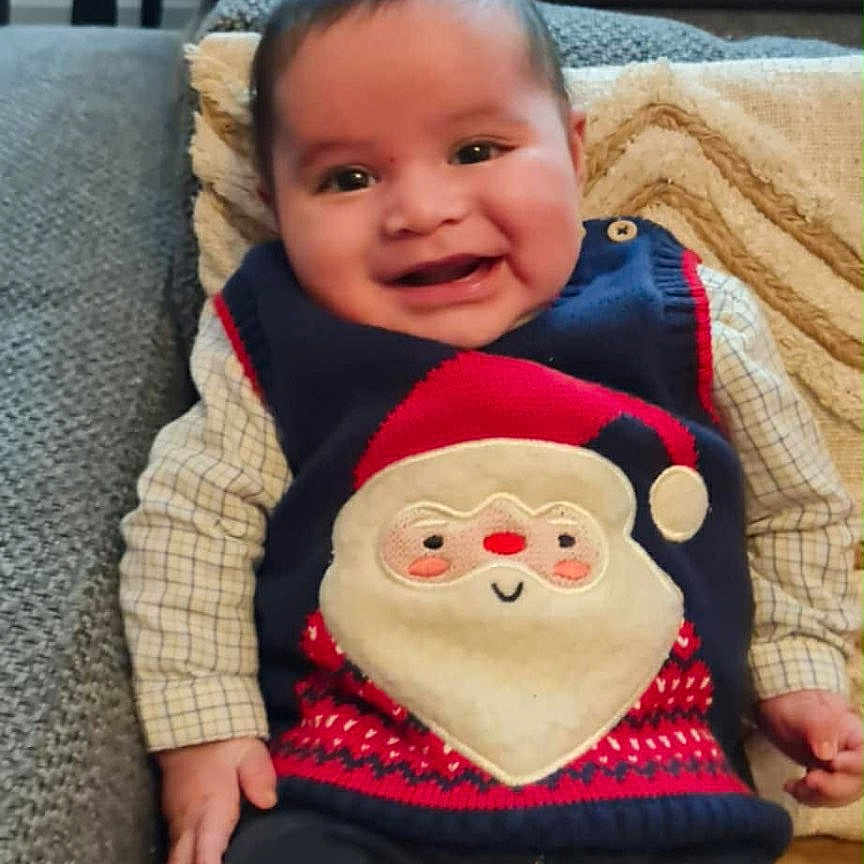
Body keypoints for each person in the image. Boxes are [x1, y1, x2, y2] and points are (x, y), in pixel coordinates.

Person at [119, 0, 862, 862]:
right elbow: (192, 525)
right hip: (349, 796)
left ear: (576, 153)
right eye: (347, 179)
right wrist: (204, 729)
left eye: (476, 152)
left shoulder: (684, 312)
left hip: (660, 800)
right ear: (272, 202)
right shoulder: (271, 336)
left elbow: (796, 508)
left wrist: (798, 676)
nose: (422, 210)